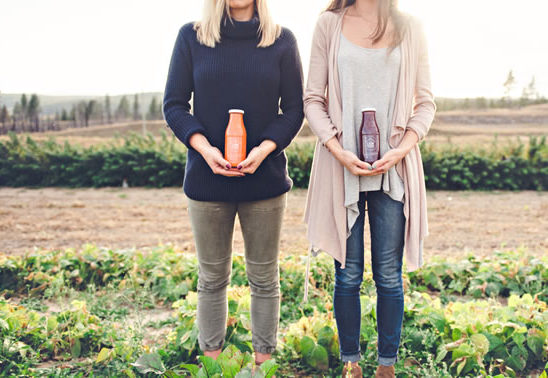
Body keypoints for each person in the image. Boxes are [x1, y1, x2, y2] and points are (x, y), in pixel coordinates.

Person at [163, 0, 304, 366]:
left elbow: (294, 109)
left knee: (264, 278)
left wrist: (265, 149)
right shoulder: (191, 37)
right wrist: (204, 148)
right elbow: (175, 105)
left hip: (265, 181)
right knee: (211, 279)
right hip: (207, 181)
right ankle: (212, 364)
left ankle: (263, 365)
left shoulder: (281, 40)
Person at [303, 0, 436, 376]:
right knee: (347, 272)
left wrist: (401, 150)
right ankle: (351, 365)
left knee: (389, 274)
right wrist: (336, 148)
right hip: (340, 166)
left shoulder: (411, 27)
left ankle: (386, 367)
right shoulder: (329, 24)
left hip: (393, 169)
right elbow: (313, 98)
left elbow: (425, 104)